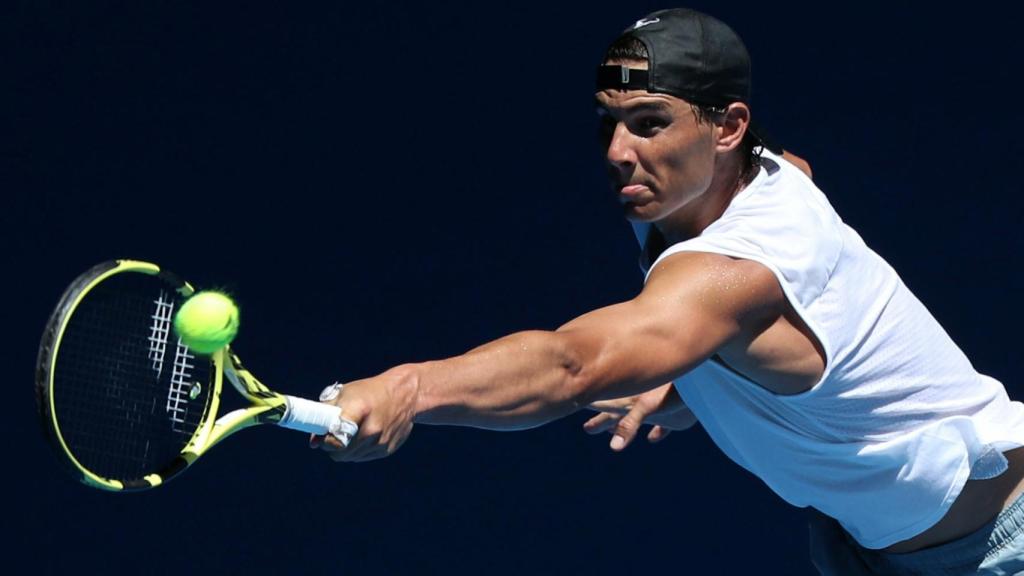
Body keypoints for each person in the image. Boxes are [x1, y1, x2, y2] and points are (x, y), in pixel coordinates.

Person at [311, 8, 1024, 574]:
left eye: (650, 124)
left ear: (728, 127)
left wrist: (408, 387)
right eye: (609, 123)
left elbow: (571, 365)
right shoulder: (739, 180)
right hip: (880, 548)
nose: (619, 152)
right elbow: (795, 183)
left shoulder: (736, 266)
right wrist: (693, 371)